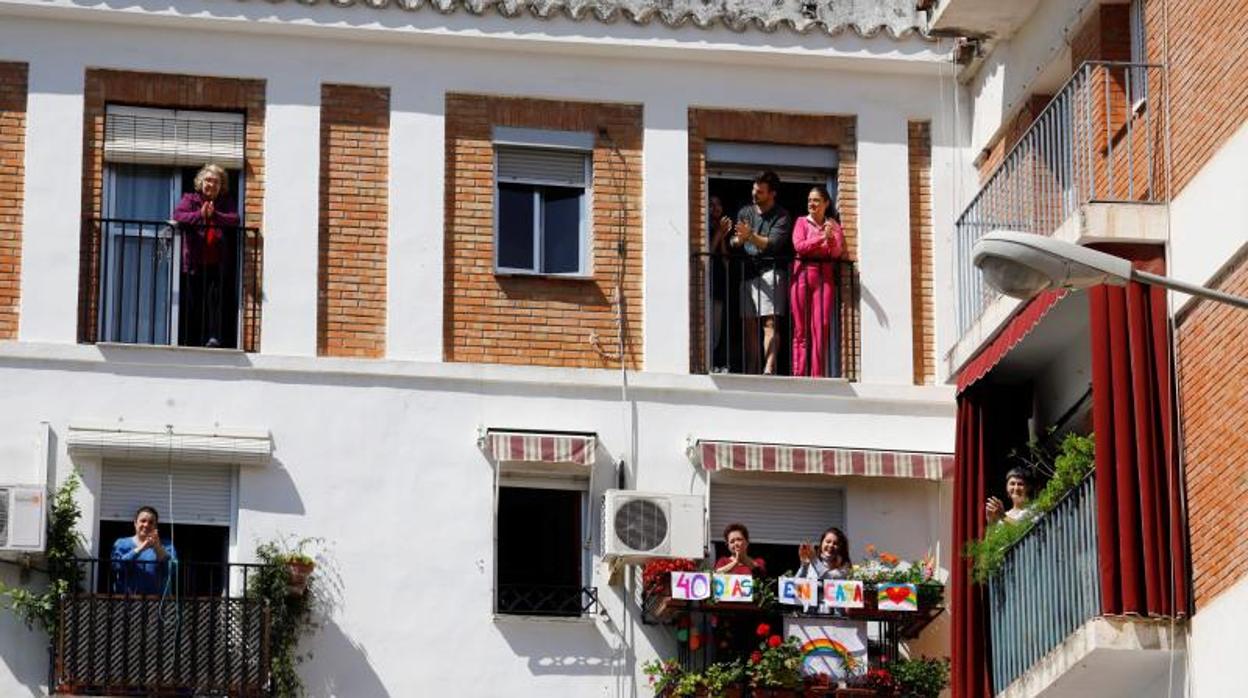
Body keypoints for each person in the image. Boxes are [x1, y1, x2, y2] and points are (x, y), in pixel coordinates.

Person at [172, 163, 239, 348]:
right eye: (208, 180)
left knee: (214, 303)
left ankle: (213, 337)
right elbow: (178, 215)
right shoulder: (190, 198)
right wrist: (200, 215)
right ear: (201, 182)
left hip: (217, 263)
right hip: (194, 262)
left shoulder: (225, 202)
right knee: (194, 303)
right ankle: (191, 340)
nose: (212, 184)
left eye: (216, 182)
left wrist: (214, 214)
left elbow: (234, 219)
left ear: (221, 186)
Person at [731, 171, 792, 375]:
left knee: (769, 322)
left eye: (760, 191)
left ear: (772, 193)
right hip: (747, 273)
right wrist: (738, 241)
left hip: (770, 272)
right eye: (754, 189)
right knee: (749, 326)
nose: (754, 194)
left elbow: (771, 244)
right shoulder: (745, 212)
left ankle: (769, 368)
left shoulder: (781, 216)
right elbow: (735, 241)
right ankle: (751, 369)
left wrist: (750, 236)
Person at [790, 186, 844, 377]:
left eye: (816, 200)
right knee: (801, 329)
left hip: (824, 279)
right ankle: (799, 373)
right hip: (802, 276)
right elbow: (799, 246)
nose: (811, 204)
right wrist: (821, 237)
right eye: (809, 200)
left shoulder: (834, 225)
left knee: (820, 327)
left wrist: (830, 240)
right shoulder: (801, 222)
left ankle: (817, 375)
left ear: (826, 203)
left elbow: (836, 253)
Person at [111, 505, 177, 595]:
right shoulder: (121, 543)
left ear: (155, 526)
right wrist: (141, 548)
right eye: (143, 521)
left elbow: (171, 570)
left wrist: (157, 547)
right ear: (135, 523)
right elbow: (118, 566)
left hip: (156, 600)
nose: (146, 525)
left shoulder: (167, 545)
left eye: (151, 522)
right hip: (127, 599)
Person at [708, 196, 734, 371]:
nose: (716, 207)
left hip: (718, 284)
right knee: (708, 328)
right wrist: (718, 233)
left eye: (719, 204)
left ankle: (715, 361)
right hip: (706, 285)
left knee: (716, 330)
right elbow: (708, 252)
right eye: (711, 204)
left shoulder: (720, 230)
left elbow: (726, 261)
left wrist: (723, 235)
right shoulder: (704, 227)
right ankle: (709, 362)